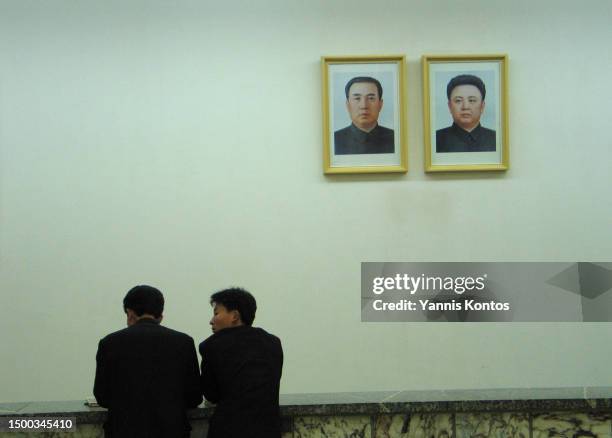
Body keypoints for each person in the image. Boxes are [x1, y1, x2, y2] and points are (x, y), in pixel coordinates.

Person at [94, 285, 202, 438]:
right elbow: (194, 397)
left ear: (130, 313)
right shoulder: (184, 342)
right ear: (160, 315)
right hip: (173, 431)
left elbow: (102, 396)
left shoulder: (109, 343)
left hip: (123, 431)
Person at [199, 287, 283, 438]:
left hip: (228, 430)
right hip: (269, 430)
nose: (211, 320)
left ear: (235, 316)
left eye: (216, 313)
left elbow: (211, 394)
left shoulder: (211, 345)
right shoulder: (273, 343)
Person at [334, 76, 395, 155]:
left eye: (371, 98)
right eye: (357, 98)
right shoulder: (334, 140)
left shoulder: (395, 138)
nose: (364, 106)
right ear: (348, 105)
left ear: (380, 104)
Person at [436, 74, 496, 153]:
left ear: (482, 106)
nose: (465, 107)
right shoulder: (435, 139)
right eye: (458, 100)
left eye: (471, 100)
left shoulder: (496, 138)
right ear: (450, 106)